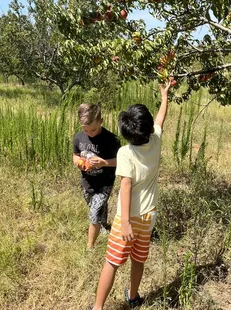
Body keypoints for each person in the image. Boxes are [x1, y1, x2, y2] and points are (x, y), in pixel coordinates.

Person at [90, 82, 171, 310]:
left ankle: (98, 308)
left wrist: (125, 223)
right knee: (138, 259)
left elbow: (125, 187)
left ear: (127, 134)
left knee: (112, 262)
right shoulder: (155, 141)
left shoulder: (125, 153)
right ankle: (133, 296)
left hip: (129, 218)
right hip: (148, 215)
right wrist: (164, 96)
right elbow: (160, 119)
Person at [73, 103, 121, 249]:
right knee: (94, 206)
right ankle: (104, 224)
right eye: (85, 129)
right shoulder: (79, 137)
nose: (90, 133)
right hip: (87, 182)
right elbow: (75, 155)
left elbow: (120, 161)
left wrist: (103, 163)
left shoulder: (111, 140)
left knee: (94, 212)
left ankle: (90, 246)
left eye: (93, 129)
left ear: (101, 121)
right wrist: (79, 163)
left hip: (104, 183)